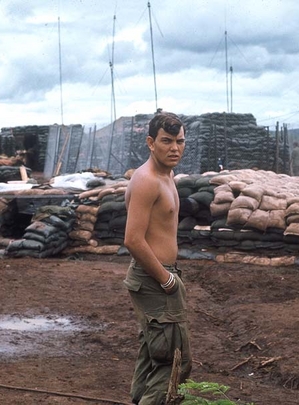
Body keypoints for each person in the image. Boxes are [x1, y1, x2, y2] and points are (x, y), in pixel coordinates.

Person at [123, 112, 192, 404]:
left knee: (154, 354)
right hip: (155, 278)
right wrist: (166, 281)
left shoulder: (167, 175)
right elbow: (133, 240)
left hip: (159, 275)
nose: (174, 148)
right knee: (174, 360)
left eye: (180, 141)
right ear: (151, 142)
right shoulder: (147, 180)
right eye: (166, 141)